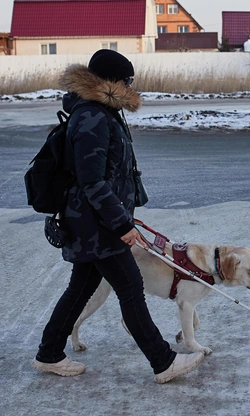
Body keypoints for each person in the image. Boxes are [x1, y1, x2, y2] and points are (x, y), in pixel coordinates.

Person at [32, 49, 204, 383]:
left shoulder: (100, 113)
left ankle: (48, 353)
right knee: (130, 287)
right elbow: (92, 180)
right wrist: (122, 223)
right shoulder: (93, 118)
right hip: (96, 225)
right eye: (127, 80)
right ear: (113, 81)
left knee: (80, 290)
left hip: (92, 222)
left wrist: (124, 214)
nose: (131, 85)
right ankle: (163, 361)